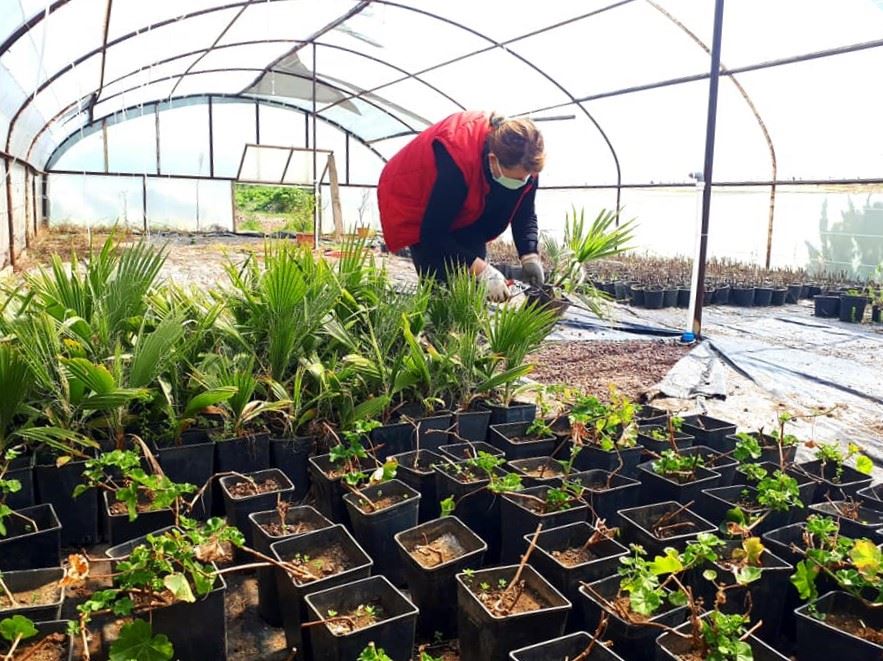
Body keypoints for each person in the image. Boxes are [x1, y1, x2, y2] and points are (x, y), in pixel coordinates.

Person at [377, 110, 545, 301]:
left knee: (472, 294)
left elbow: (525, 211)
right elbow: (433, 235)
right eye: (517, 178)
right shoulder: (457, 157)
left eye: (526, 178)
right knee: (443, 293)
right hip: (417, 199)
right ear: (493, 160)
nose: (523, 182)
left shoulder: (526, 162)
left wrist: (529, 254)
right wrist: (483, 270)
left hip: (469, 207)